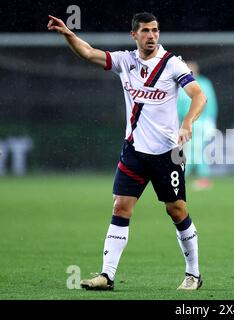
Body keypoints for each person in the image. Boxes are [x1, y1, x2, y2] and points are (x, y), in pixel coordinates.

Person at [47, 12, 207, 291]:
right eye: (145, 31)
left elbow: (198, 95)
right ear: (134, 35)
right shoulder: (125, 61)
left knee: (177, 210)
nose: (152, 36)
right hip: (133, 151)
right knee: (120, 207)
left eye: (155, 30)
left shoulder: (172, 64)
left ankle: (193, 274)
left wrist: (187, 121)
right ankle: (107, 276)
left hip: (169, 153)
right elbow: (88, 53)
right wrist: (68, 34)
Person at [177, 61, 218, 190]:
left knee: (198, 151)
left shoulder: (204, 84)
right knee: (188, 151)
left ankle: (201, 178)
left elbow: (210, 104)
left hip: (201, 122)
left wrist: (210, 122)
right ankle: (184, 178)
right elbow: (178, 106)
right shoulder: (181, 85)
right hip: (185, 122)